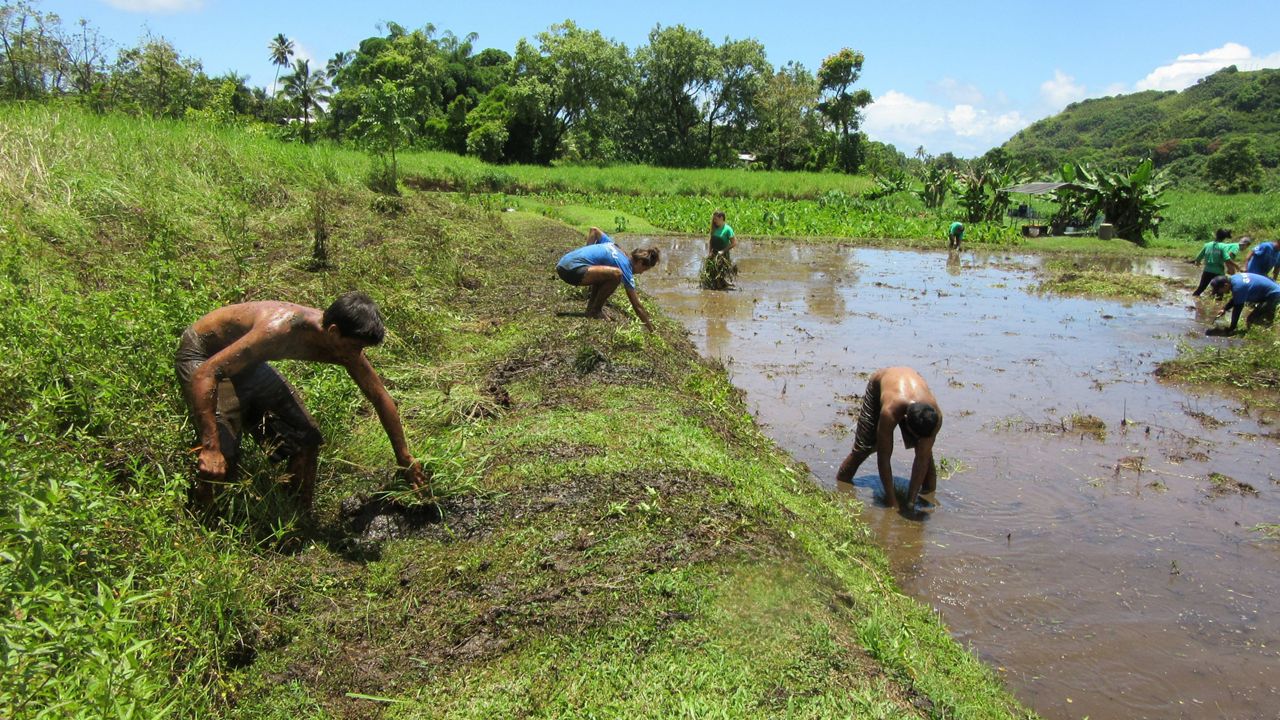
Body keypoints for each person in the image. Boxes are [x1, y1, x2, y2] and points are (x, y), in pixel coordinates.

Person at [175, 292, 427, 512]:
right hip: (204, 356)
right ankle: (206, 518)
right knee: (223, 452)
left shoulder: (345, 345)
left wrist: (404, 457)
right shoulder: (278, 330)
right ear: (333, 332)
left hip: (248, 362)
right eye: (355, 347)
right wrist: (210, 446)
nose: (357, 354)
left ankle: (296, 518)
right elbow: (206, 374)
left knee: (306, 438)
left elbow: (379, 396)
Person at [835, 367, 943, 514]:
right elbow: (884, 458)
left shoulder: (935, 416)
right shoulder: (890, 412)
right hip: (880, 384)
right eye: (915, 436)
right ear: (905, 421)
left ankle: (927, 494)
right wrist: (892, 502)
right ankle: (842, 481)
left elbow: (922, 459)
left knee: (926, 453)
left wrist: (910, 503)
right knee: (864, 447)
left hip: (911, 385)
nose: (918, 440)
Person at [556, 227, 659, 331]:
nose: (641, 273)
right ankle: (596, 311)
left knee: (605, 272)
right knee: (617, 274)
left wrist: (588, 257)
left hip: (563, 264)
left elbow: (594, 230)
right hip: (571, 271)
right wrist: (651, 329)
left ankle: (591, 309)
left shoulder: (614, 246)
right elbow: (637, 306)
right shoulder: (625, 267)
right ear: (640, 263)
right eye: (644, 270)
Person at [1208, 272, 1280, 333]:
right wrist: (1224, 309)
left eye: (1219, 290)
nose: (1220, 293)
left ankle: (1259, 336)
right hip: (1271, 292)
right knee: (1266, 317)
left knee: (1252, 319)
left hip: (1274, 294)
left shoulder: (1238, 287)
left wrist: (1232, 328)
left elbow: (1237, 308)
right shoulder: (1233, 279)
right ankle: (1268, 332)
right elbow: (1236, 299)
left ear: (1225, 285)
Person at [1191, 228, 1232, 296]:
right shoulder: (1223, 246)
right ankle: (1216, 305)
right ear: (1224, 238)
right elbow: (1227, 259)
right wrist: (1233, 267)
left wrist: (1198, 263)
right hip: (1218, 273)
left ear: (1216, 235)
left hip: (1207, 270)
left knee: (1201, 288)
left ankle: (1194, 298)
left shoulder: (1207, 245)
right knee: (1218, 292)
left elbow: (1198, 258)